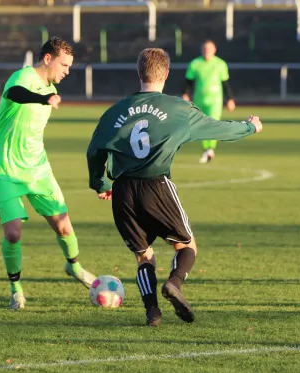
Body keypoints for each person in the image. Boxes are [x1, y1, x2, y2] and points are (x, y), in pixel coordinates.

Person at [86, 48, 262, 326]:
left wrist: (101, 183)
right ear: (166, 74)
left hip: (122, 190)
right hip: (156, 186)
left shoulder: (114, 111)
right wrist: (249, 127)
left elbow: (94, 152)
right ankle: (174, 283)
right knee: (186, 245)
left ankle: (152, 312)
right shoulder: (179, 110)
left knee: (143, 255)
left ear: (138, 73)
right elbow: (219, 129)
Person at [0, 37, 97, 310]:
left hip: (38, 170)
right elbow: (15, 94)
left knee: (63, 225)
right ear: (48, 58)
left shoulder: (51, 87)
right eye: (64, 64)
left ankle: (74, 267)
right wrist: (43, 98)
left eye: (70, 66)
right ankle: (16, 290)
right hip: (5, 169)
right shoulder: (23, 77)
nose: (67, 71)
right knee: (13, 234)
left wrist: (47, 95)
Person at [183, 40, 236, 163]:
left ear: (214, 50)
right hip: (199, 99)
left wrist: (230, 99)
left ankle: (210, 148)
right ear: (201, 50)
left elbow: (225, 83)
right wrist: (185, 94)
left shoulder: (220, 64)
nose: (207, 51)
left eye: (209, 49)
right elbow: (188, 82)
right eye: (205, 49)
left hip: (215, 100)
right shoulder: (195, 64)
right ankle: (206, 149)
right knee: (201, 125)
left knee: (213, 124)